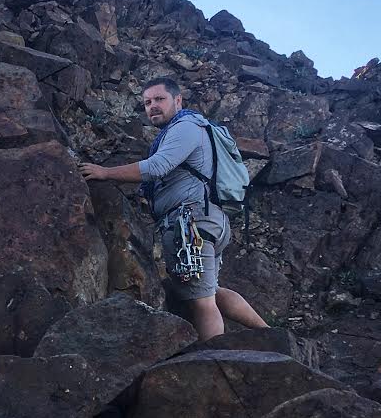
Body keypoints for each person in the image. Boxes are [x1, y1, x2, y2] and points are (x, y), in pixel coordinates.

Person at [79, 77, 268, 341]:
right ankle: (271, 335)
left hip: (191, 223)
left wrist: (105, 172)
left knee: (202, 302)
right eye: (147, 103)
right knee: (210, 290)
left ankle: (214, 362)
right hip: (208, 219)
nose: (152, 106)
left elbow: (157, 167)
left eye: (159, 99)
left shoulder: (186, 126)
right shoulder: (189, 128)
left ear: (177, 100)